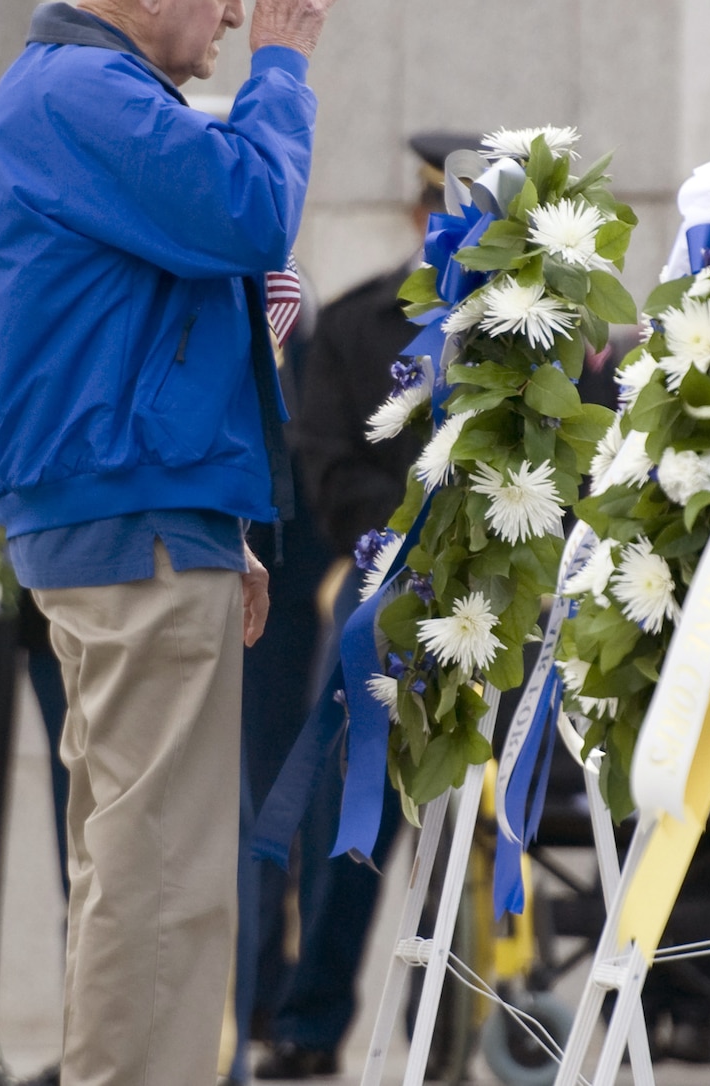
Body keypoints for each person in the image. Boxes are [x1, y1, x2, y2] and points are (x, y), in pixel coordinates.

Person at [0, 0, 349, 1086]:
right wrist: (282, 71)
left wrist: (210, 514)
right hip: (131, 522)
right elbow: (246, 213)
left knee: (138, 860)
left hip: (135, 514)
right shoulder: (85, 90)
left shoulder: (71, 91)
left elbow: (152, 323)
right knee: (164, 873)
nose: (234, 14)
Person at [252, 136, 452, 1079]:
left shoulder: (543, 329)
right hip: (383, 589)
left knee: (478, 819)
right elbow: (324, 457)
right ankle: (311, 1019)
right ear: (421, 217)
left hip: (509, 604)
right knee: (348, 802)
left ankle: (451, 1020)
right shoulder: (364, 323)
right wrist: (417, 540)